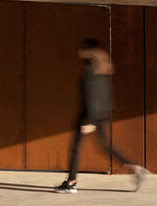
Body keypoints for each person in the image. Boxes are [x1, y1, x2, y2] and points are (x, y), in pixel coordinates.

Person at [55, 38, 148, 194]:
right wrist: (99, 116)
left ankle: (71, 183)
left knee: (75, 148)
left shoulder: (90, 70)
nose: (79, 52)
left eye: (82, 49)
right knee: (105, 146)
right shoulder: (102, 68)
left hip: (89, 115)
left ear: (88, 51)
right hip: (100, 113)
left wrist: (90, 121)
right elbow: (106, 96)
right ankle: (134, 168)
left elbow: (91, 96)